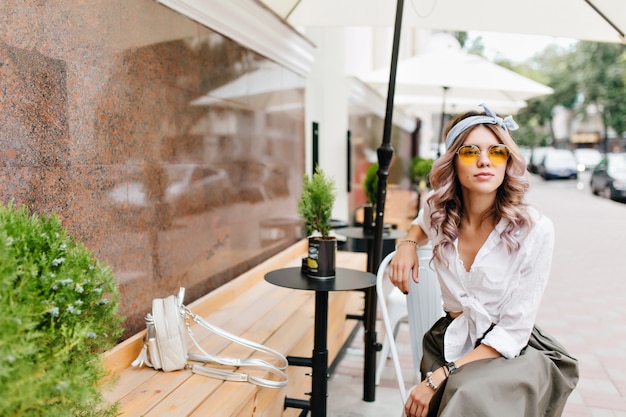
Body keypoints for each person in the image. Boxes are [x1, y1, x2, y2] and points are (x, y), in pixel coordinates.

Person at [389, 103, 579, 417]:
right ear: (453, 162)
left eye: (497, 152)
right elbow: (421, 224)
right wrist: (407, 244)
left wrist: (442, 375)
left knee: (465, 396)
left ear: (508, 161)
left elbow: (515, 330)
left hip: (511, 351)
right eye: (469, 152)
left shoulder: (535, 230)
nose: (483, 161)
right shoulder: (440, 214)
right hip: (450, 339)